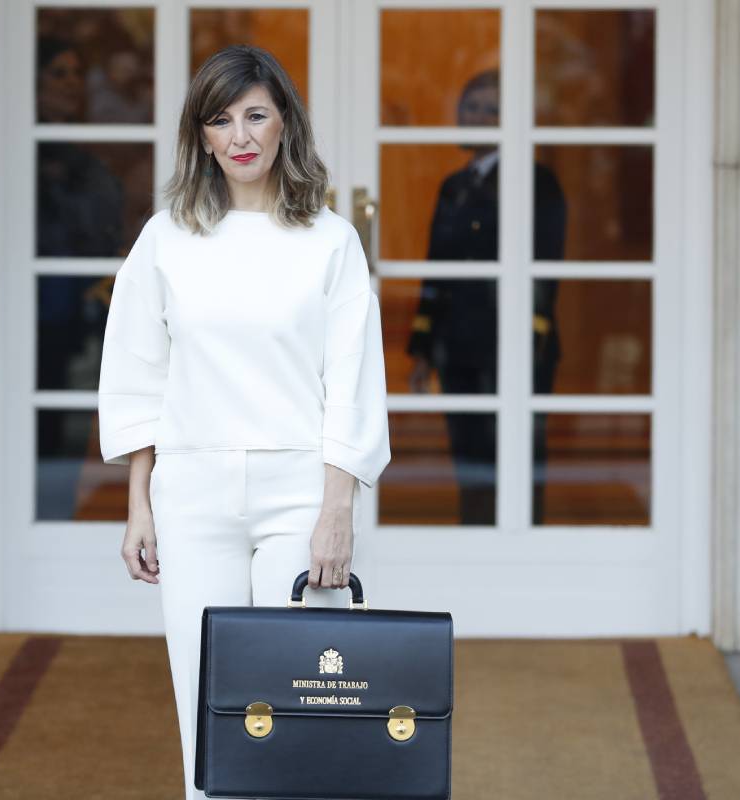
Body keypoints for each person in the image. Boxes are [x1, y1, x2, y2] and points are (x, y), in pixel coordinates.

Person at [97, 45, 390, 800]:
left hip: (301, 491)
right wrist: (140, 506)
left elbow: (351, 385)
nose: (241, 136)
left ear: (286, 124)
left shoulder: (332, 242)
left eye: (256, 115)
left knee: (303, 705)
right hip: (192, 491)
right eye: (220, 121)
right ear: (200, 136)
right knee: (210, 706)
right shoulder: (167, 239)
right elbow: (139, 377)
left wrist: (337, 512)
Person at [405, 69, 566, 525]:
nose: (476, 117)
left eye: (490, 109)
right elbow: (436, 272)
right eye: (471, 107)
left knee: (518, 454)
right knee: (469, 454)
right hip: (458, 345)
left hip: (512, 344)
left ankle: (521, 542)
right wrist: (422, 350)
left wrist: (530, 340)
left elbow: (545, 270)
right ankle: (473, 536)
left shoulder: (536, 183)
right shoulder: (454, 187)